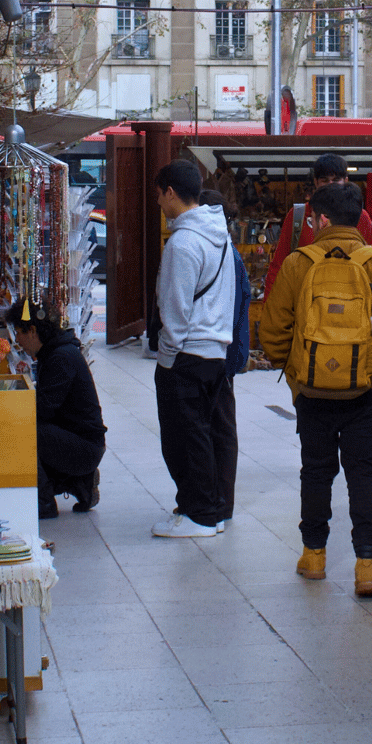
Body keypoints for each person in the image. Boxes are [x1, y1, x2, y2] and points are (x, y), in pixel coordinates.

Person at [260, 182, 372, 598]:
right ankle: (368, 566)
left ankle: (314, 556)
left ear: (322, 220)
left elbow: (273, 328)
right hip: (368, 389)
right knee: (364, 473)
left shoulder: (299, 262)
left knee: (315, 471)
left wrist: (294, 370)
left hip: (312, 391)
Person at [150, 160, 236, 538]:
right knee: (205, 434)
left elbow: (175, 310)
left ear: (170, 192)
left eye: (158, 195)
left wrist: (166, 358)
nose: (158, 203)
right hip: (215, 350)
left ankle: (198, 514)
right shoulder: (219, 234)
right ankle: (208, 508)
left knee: (185, 438)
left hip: (186, 354)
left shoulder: (183, 243)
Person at [3, 300, 105, 519]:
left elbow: (43, 410)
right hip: (76, 440)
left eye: (19, 333)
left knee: (26, 432)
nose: (17, 341)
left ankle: (44, 502)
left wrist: (11, 411)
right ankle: (79, 483)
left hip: (85, 448)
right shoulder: (54, 353)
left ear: (32, 331)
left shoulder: (61, 357)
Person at [198, 188, 252, 529]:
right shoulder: (225, 251)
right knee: (218, 426)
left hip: (218, 354)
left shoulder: (224, 254)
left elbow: (231, 309)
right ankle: (218, 499)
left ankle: (219, 501)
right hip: (222, 353)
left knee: (217, 427)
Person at [263, 154, 372, 293]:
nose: (330, 185)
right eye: (325, 180)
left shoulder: (360, 216)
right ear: (316, 182)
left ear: (346, 181)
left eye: (336, 180)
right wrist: (270, 310)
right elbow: (278, 267)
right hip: (304, 304)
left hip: (351, 302)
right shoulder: (297, 215)